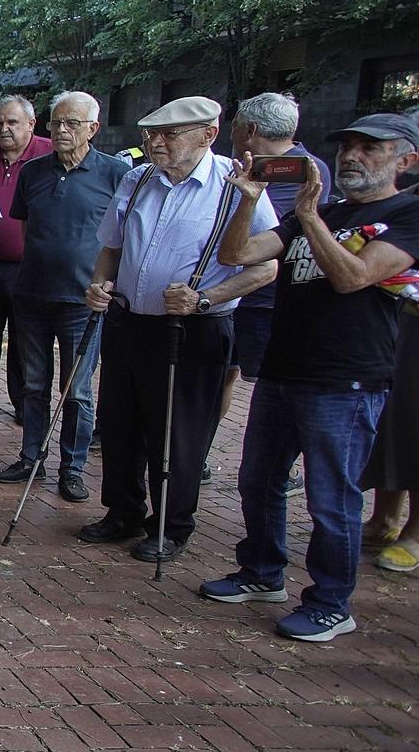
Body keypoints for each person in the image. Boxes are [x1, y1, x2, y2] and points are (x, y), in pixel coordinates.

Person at [199, 112, 419, 642]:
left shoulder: (413, 214)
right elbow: (237, 254)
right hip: (285, 369)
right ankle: (261, 573)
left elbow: (354, 277)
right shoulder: (326, 210)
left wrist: (309, 217)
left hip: (347, 381)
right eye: (347, 145)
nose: (352, 155)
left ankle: (332, 602)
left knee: (331, 497)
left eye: (369, 148)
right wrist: (247, 198)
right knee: (258, 481)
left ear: (404, 160)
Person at [80, 96, 278, 561]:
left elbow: (266, 266)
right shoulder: (138, 177)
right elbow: (111, 246)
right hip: (129, 322)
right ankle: (123, 510)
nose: (155, 142)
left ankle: (172, 524)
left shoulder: (236, 185)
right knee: (120, 422)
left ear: (207, 135)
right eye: (152, 133)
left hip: (193, 330)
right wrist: (97, 284)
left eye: (169, 134)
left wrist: (206, 298)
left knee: (178, 432)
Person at [0, 91, 132, 501]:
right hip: (32, 295)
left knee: (76, 390)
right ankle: (31, 456)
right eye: (56, 123)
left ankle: (72, 467)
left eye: (72, 123)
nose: (62, 131)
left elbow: (122, 237)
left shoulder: (114, 173)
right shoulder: (34, 172)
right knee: (33, 385)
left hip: (82, 301)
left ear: (93, 128)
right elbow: (26, 230)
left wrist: (106, 283)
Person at [209, 92, 334, 487]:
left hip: (267, 300)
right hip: (229, 293)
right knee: (223, 377)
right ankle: (201, 452)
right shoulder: (243, 165)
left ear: (250, 130)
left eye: (233, 126)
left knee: (271, 388)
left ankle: (280, 462)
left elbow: (285, 235)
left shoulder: (301, 170)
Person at [362, 101, 419, 571]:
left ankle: (418, 531)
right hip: (395, 327)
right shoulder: (408, 201)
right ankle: (385, 516)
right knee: (391, 417)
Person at [0, 95, 51, 418]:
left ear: (31, 124)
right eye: (0, 122)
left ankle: (22, 401)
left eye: (13, 122)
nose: (4, 129)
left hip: (26, 267)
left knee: (25, 338)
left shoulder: (47, 155)